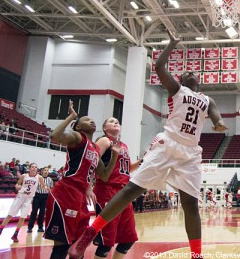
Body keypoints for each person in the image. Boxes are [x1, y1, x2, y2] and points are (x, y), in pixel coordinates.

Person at [69, 29, 227, 259]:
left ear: (199, 82)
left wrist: (220, 123)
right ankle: (88, 234)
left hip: (191, 152)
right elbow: (160, 67)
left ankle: (197, 255)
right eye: (186, 71)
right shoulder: (177, 90)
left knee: (191, 205)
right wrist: (171, 44)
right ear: (181, 80)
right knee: (132, 190)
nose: (191, 71)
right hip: (168, 143)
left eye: (194, 72)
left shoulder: (207, 99)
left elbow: (216, 116)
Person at [44, 100, 115, 259]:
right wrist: (72, 116)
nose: (92, 120)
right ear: (78, 126)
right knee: (62, 246)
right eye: (87, 120)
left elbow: (104, 175)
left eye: (92, 119)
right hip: (65, 193)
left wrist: (115, 155)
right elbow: (55, 136)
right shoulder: (78, 137)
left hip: (80, 197)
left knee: (77, 248)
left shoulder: (96, 148)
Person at [92, 117, 142, 258]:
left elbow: (128, 168)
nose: (115, 123)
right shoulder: (104, 140)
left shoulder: (123, 145)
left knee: (128, 238)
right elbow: (92, 161)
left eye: (117, 122)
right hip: (107, 189)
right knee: (106, 240)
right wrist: (89, 186)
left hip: (124, 192)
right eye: (111, 122)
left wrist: (144, 160)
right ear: (105, 128)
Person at [0, 163, 49, 243]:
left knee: (23, 217)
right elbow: (17, 184)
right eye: (32, 167)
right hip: (20, 196)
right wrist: (17, 186)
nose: (34, 168)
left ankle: (15, 234)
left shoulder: (39, 177)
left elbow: (43, 186)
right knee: (10, 215)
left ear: (37, 169)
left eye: (35, 167)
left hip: (29, 198)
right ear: (29, 168)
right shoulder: (24, 176)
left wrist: (47, 188)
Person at [27, 166, 54, 233]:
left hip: (45, 197)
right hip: (37, 196)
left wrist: (49, 190)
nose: (46, 171)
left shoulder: (50, 179)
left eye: (47, 170)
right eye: (45, 170)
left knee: (42, 212)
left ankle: (40, 227)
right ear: (42, 171)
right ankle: (30, 227)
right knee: (34, 212)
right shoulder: (38, 178)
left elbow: (51, 189)